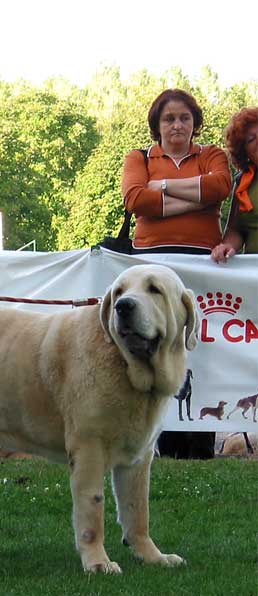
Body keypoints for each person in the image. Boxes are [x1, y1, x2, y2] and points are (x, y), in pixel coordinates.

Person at [121, 89, 232, 459]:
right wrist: (197, 200)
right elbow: (136, 199)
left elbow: (221, 187)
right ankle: (158, 441)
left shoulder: (212, 155)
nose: (177, 125)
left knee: (197, 347)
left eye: (184, 118)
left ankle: (200, 442)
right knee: (156, 346)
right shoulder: (139, 158)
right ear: (157, 125)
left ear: (194, 123)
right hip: (153, 264)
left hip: (202, 266)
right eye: (169, 119)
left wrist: (164, 187)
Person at [211, 107, 258, 262]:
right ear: (246, 153)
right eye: (251, 139)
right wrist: (226, 246)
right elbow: (235, 230)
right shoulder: (242, 182)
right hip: (253, 274)